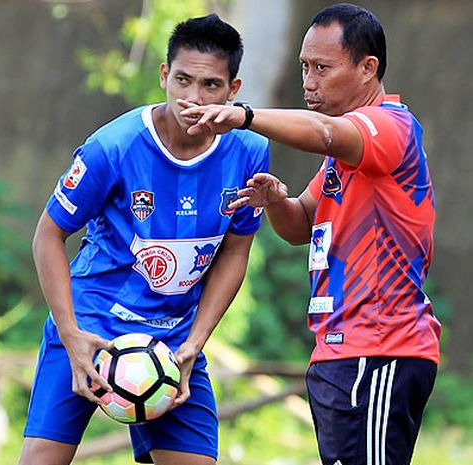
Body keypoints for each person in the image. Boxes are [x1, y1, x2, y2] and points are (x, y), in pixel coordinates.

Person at [178, 3, 440, 465]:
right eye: (304, 67)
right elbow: (300, 225)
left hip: (380, 350)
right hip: (339, 352)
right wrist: (276, 200)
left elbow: (323, 132)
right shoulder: (345, 156)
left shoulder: (388, 129)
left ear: (367, 68)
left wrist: (242, 115)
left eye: (322, 68)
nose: (309, 81)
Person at [18, 13, 269, 465]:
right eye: (183, 81)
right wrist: (70, 333)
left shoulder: (250, 151)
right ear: (164, 76)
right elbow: (48, 236)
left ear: (233, 91)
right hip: (91, 326)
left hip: (172, 343)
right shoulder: (112, 147)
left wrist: (195, 343)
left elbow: (236, 248)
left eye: (211, 85)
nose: (193, 98)